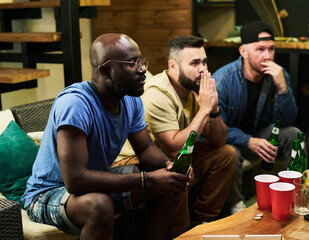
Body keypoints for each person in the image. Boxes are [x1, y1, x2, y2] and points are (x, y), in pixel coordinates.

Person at [21, 33, 193, 240]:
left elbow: (146, 150)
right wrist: (147, 180)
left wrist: (170, 166)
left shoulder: (131, 100)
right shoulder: (76, 104)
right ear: (106, 71)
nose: (142, 69)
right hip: (47, 195)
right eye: (132, 63)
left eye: (141, 61)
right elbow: (75, 181)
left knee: (171, 182)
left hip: (92, 186)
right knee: (99, 204)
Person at [117, 35, 237, 224]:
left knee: (226, 154)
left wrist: (213, 110)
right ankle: (179, 233)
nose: (203, 69)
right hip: (136, 160)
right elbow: (174, 148)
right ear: (173, 66)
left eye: (204, 62)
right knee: (179, 173)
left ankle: (203, 222)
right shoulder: (158, 94)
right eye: (195, 63)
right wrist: (204, 109)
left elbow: (219, 140)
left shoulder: (194, 87)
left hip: (173, 156)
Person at [213, 21, 300, 210]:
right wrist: (247, 140)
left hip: (260, 133)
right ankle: (236, 205)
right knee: (231, 152)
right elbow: (216, 128)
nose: (267, 56)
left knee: (293, 134)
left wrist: (283, 88)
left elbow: (287, 121)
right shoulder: (223, 80)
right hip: (230, 140)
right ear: (243, 51)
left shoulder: (278, 74)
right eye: (260, 49)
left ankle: (294, 194)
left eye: (271, 49)